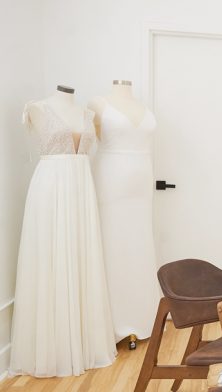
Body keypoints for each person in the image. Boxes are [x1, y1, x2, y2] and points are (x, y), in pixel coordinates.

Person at [11, 85, 117, 377]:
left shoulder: (87, 113)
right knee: (51, 260)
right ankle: (51, 350)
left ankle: (82, 344)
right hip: (50, 190)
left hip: (82, 192)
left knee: (81, 260)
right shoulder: (37, 108)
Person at [88, 80, 160, 349]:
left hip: (142, 182)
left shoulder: (142, 106)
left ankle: (140, 318)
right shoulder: (98, 103)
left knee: (138, 246)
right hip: (111, 177)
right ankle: (112, 324)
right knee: (113, 245)